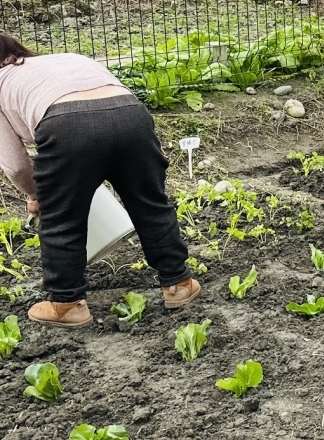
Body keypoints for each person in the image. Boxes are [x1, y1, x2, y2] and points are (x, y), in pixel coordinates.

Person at [0, 35, 198, 328]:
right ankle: (179, 284)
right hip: (131, 115)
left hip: (68, 124)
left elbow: (15, 166)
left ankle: (67, 303)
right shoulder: (65, 58)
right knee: (149, 202)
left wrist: (36, 195)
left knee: (61, 217)